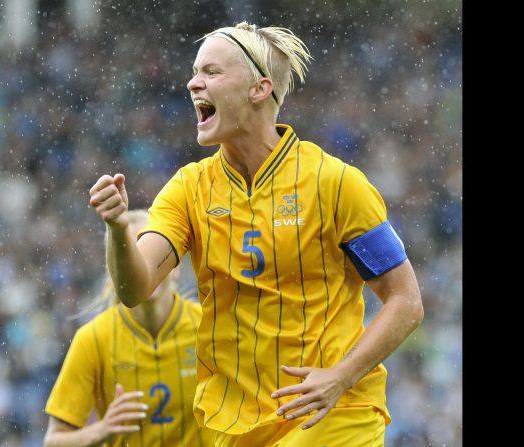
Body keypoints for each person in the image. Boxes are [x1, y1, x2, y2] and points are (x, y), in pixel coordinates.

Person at [88, 21, 424, 446]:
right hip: (234, 425)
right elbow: (134, 290)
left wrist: (340, 376)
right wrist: (119, 229)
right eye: (194, 71)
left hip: (333, 415)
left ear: (259, 89)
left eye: (212, 72)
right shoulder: (188, 189)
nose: (193, 83)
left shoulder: (335, 183)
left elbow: (406, 301)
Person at [43, 209, 215, 446]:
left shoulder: (210, 327)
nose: (140, 269)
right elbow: (54, 441)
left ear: (174, 268)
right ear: (115, 273)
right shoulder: (93, 339)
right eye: (128, 259)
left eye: (149, 256)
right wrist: (100, 431)